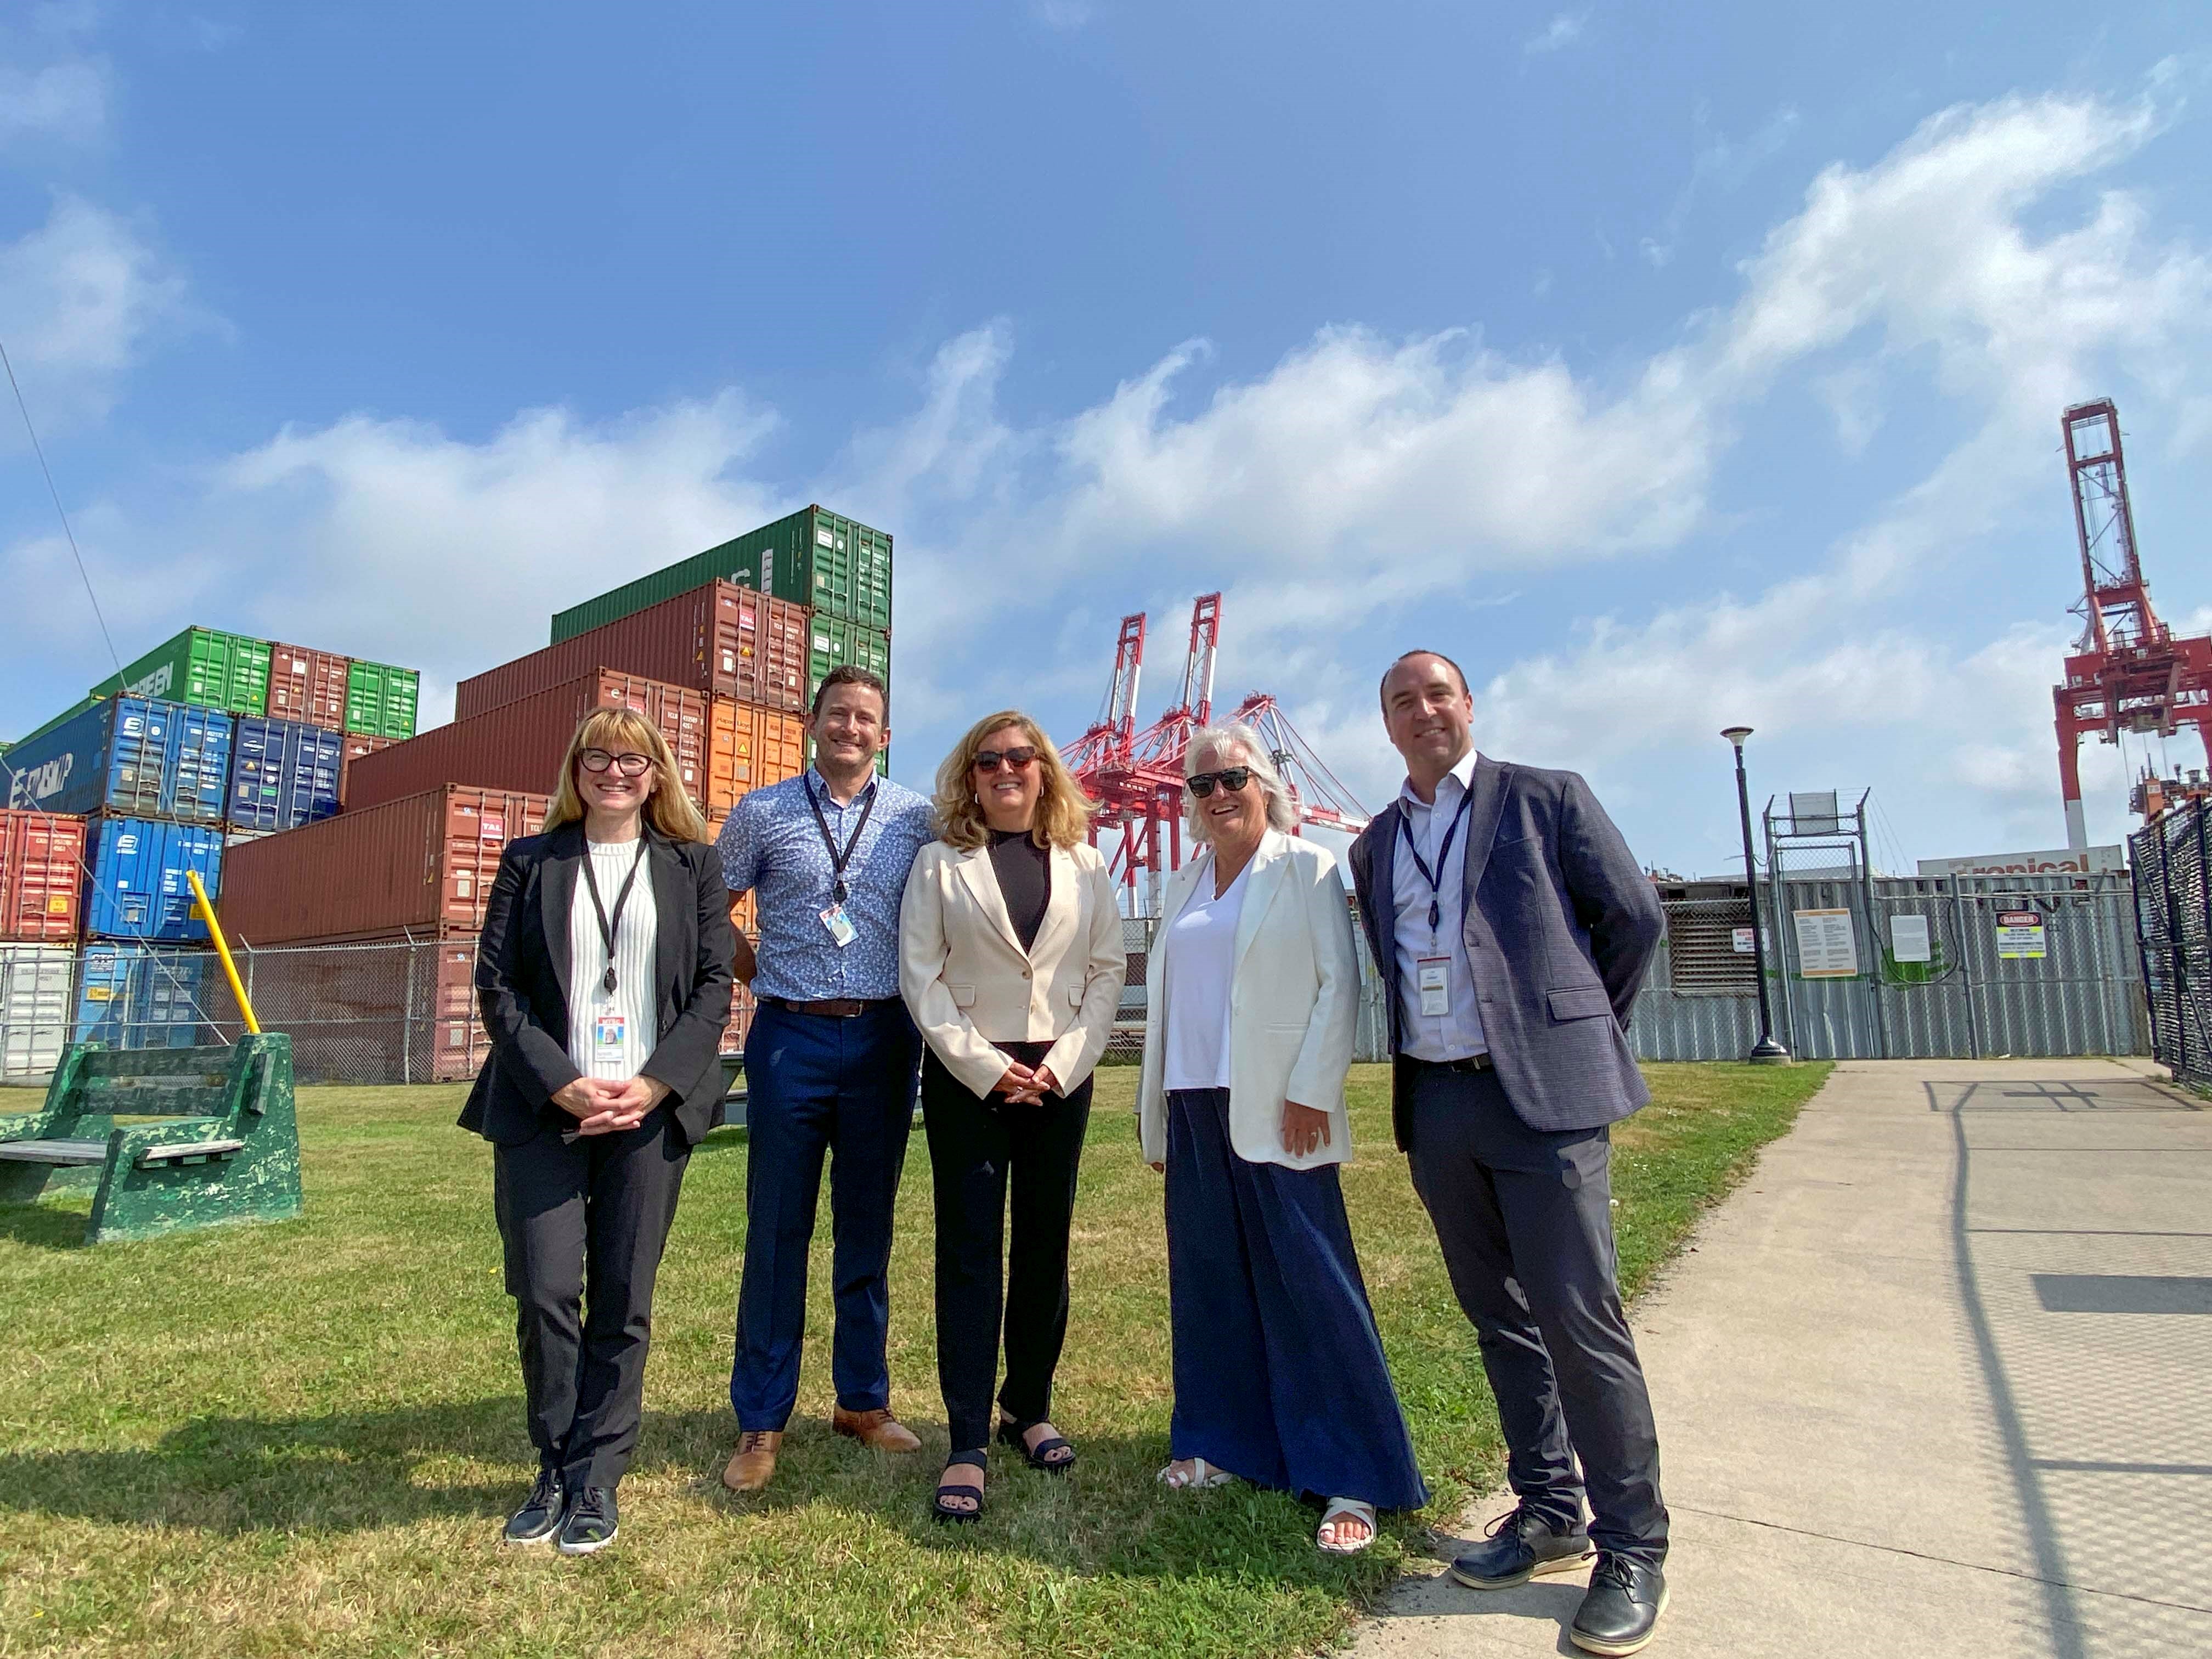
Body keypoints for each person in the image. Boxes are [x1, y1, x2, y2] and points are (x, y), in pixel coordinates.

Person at [1346, 650, 1669, 1658]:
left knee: (1582, 1321)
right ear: (1388, 725)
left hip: (1543, 1108)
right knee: (1500, 1319)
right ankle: (1548, 1509)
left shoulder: (1547, 798)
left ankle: (1633, 1549)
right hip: (1439, 1106)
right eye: (1403, 702)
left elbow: (1634, 920)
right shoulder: (1377, 844)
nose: (1422, 711)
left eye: (1437, 694)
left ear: (1468, 707)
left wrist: (1569, 1033)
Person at [1137, 721, 1427, 1554]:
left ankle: (1354, 1473)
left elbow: (1342, 985)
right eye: (1203, 784)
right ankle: (1224, 1445)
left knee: (1312, 1284)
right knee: (1210, 1285)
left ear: (1265, 783)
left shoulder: (1305, 867)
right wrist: (1157, 1110)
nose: (1220, 793)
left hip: (1279, 1105)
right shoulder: (1185, 882)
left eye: (1235, 777)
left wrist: (1312, 1091)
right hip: (1194, 1105)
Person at [465, 707, 737, 1556]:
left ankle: (597, 1477)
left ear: (657, 774)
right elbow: (498, 989)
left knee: (624, 1296)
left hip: (649, 1114)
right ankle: (552, 1463)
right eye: (597, 757)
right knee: (545, 1288)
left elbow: (714, 985)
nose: (614, 771)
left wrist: (655, 1085)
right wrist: (567, 1085)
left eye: (632, 759)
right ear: (575, 771)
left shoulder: (693, 866)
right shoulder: (529, 862)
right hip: (547, 1108)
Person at [898, 711, 1125, 1522]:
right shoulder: (938, 864)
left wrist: (1061, 1066)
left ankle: (1026, 1407)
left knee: (1043, 1245)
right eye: (989, 760)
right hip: (970, 1077)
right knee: (968, 1251)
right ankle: (965, 1437)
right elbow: (920, 978)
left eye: (1020, 759)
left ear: (1044, 770)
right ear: (970, 775)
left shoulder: (1088, 864)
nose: (1006, 771)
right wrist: (991, 1070)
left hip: (1059, 1079)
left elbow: (1107, 972)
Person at [716, 664, 938, 1493]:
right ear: (812, 722)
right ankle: (762, 1420)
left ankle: (862, 1402)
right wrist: (756, 970)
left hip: (885, 1037)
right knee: (777, 1228)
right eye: (837, 714)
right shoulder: (765, 812)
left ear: (884, 734)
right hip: (790, 1038)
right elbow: (711, 904)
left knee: (867, 1226)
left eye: (867, 718)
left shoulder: (915, 817)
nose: (850, 728)